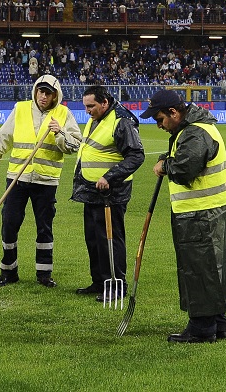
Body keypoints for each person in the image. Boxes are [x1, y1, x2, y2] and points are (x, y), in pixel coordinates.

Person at [141, 89, 226, 343]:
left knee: (199, 269)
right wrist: (169, 157)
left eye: (160, 120)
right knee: (214, 267)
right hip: (214, 209)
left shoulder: (194, 132)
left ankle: (202, 328)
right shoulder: (196, 127)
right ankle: (218, 323)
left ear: (174, 112)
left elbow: (185, 168)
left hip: (200, 213)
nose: (159, 126)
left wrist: (165, 165)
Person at [0, 74, 82, 288]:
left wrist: (60, 133)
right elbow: (3, 137)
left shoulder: (64, 114)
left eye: (48, 93)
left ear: (55, 95)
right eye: (40, 91)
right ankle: (8, 272)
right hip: (17, 178)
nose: (43, 96)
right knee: (9, 224)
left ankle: (44, 274)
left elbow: (75, 146)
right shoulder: (20, 109)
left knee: (44, 228)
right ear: (35, 90)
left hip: (46, 180)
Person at [72, 85, 145, 302]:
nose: (87, 111)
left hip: (110, 194)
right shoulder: (98, 118)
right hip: (92, 190)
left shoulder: (121, 121)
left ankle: (115, 286)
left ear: (104, 102)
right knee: (94, 239)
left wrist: (110, 177)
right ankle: (99, 282)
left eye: (91, 106)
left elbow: (136, 156)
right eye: (85, 106)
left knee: (110, 240)